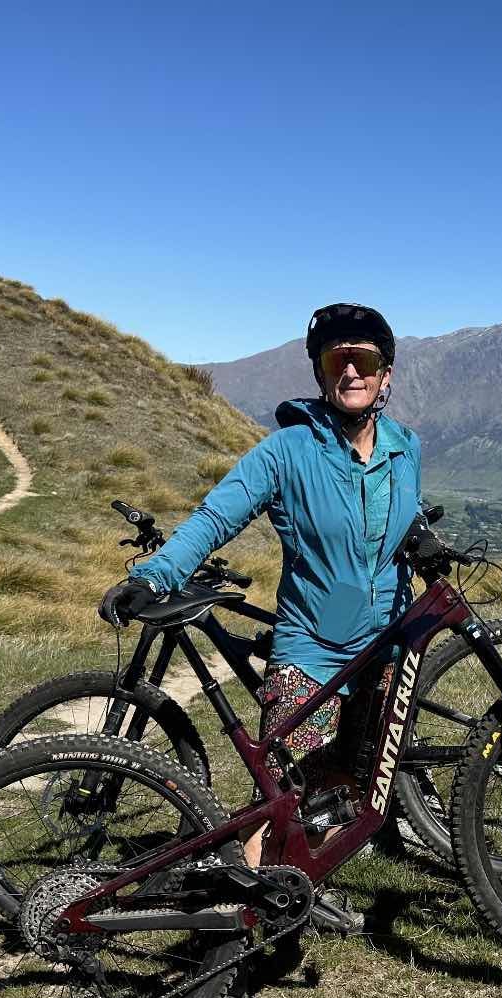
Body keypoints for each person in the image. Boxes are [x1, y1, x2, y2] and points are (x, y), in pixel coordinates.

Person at [97, 302, 423, 935]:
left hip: (386, 643)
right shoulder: (286, 452)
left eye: (366, 361)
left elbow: (402, 522)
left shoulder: (404, 449)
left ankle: (304, 882)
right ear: (322, 373)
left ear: (387, 376)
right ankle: (228, 933)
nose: (351, 371)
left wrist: (421, 541)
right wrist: (153, 575)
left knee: (355, 784)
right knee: (284, 792)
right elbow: (217, 517)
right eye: (337, 360)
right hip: (313, 647)